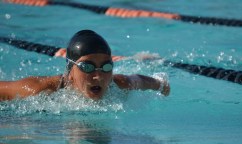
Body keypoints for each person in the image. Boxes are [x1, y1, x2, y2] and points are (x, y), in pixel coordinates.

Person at [0, 30, 170, 101]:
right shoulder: (39, 89)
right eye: (87, 67)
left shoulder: (118, 85)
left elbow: (143, 80)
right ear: (70, 70)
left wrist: (161, 84)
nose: (98, 76)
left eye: (106, 67)